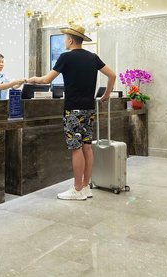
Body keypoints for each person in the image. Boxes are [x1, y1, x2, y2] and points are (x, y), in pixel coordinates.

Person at [26, 25, 115, 201]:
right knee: (87, 147)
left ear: (71, 40)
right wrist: (106, 95)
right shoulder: (93, 57)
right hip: (89, 108)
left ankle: (77, 189)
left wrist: (33, 79)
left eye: (65, 38)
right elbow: (112, 75)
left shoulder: (65, 57)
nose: (64, 41)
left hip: (73, 109)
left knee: (76, 148)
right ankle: (86, 186)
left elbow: (46, 80)